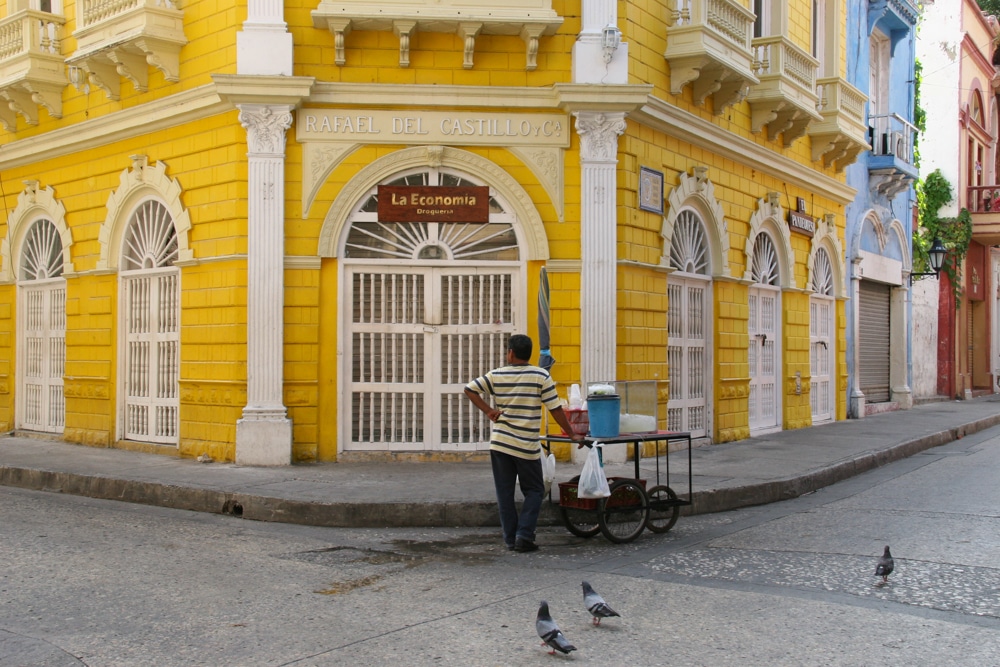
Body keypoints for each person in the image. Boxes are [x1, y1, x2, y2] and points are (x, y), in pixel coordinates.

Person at [464, 334, 584, 553]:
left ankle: (511, 539)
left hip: (501, 444)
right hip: (526, 446)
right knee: (535, 490)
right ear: (529, 353)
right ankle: (524, 535)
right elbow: (555, 408)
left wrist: (490, 411)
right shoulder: (540, 375)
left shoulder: (497, 375)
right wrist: (572, 434)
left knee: (505, 493)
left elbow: (470, 389)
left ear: (510, 352)